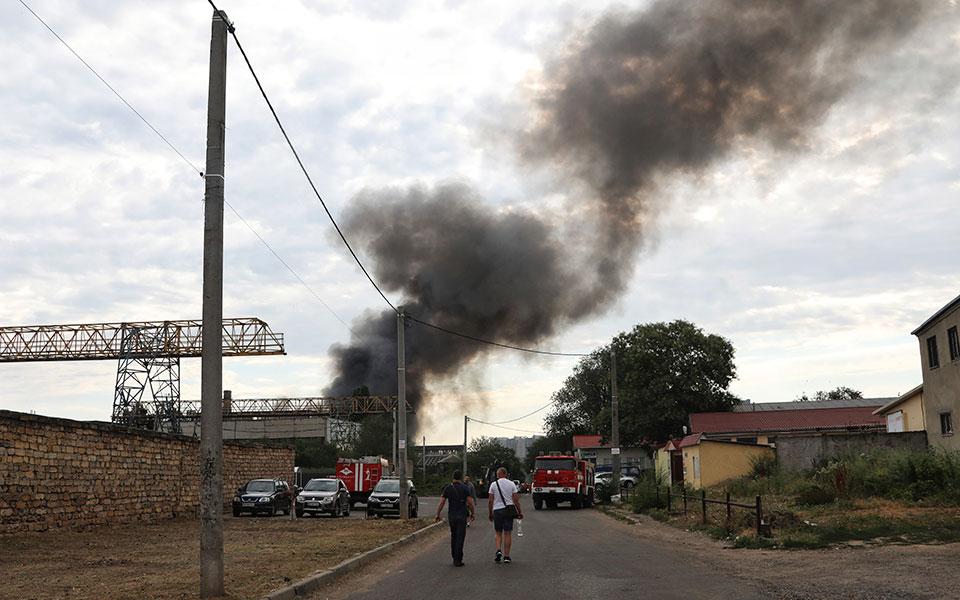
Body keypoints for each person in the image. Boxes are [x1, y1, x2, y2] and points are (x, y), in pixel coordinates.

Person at [435, 470, 475, 566]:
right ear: (461, 477)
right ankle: (458, 559)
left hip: (452, 515)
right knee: (460, 536)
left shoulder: (448, 488)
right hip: (462, 514)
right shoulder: (465, 488)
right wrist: (472, 512)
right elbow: (470, 502)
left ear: (453, 477)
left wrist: (438, 513)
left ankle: (454, 556)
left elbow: (442, 502)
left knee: (454, 535)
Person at [487, 466, 523, 564]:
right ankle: (507, 556)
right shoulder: (511, 484)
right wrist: (520, 512)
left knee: (498, 532)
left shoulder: (493, 485)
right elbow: (516, 500)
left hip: (497, 510)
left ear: (498, 474)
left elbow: (490, 501)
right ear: (506, 475)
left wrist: (490, 513)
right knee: (508, 533)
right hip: (509, 510)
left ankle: (498, 549)